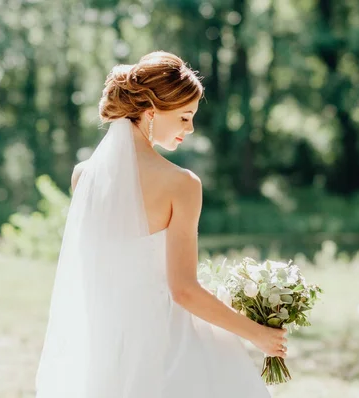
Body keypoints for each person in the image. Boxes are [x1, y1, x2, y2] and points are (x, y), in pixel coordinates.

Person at [35, 51, 287, 398]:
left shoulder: (84, 176)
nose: (190, 128)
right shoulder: (181, 184)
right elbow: (183, 289)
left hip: (105, 342)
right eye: (184, 117)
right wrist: (255, 333)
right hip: (167, 342)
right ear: (151, 112)